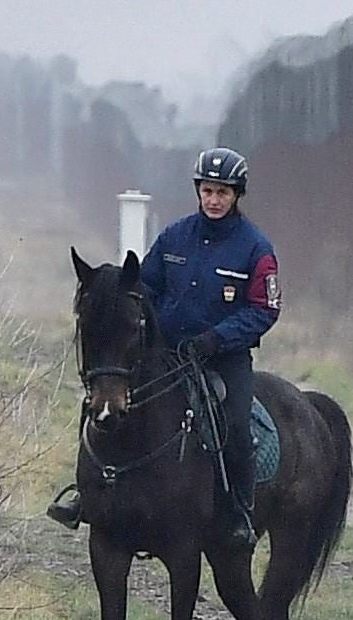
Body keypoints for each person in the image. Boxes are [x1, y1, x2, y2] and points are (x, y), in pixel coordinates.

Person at [49, 147, 279, 546]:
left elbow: (264, 310)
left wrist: (216, 338)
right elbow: (144, 286)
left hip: (223, 358)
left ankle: (238, 512)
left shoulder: (255, 249)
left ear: (237, 194)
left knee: (238, 428)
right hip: (166, 352)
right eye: (208, 191)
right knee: (102, 405)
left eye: (223, 192)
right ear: (199, 191)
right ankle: (86, 497)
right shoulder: (174, 236)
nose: (214, 200)